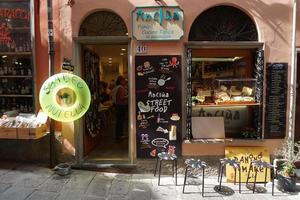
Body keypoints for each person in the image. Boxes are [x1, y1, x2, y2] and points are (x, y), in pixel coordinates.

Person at [112, 75, 128, 141]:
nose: (125, 82)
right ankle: (120, 135)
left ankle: (118, 135)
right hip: (121, 106)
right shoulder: (121, 88)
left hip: (117, 105)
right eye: (124, 80)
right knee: (120, 121)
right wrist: (128, 96)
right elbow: (121, 98)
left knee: (119, 121)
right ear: (121, 81)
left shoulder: (116, 87)